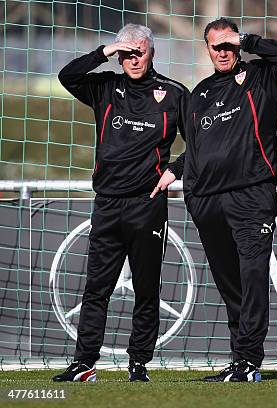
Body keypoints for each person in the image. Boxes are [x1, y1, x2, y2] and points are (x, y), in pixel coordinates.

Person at [52, 24, 189, 382]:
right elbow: (67, 75)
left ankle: (139, 363)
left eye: (138, 52)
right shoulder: (105, 88)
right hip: (108, 204)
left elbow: (202, 143)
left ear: (151, 52)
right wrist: (106, 50)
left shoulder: (174, 94)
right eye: (126, 53)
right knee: (96, 288)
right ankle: (85, 363)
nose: (132, 59)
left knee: (146, 288)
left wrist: (175, 169)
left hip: (148, 205)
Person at [180, 17, 277, 382]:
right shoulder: (198, 94)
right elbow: (196, 150)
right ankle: (238, 359)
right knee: (229, 281)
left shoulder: (263, 77)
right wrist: (181, 178)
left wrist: (248, 40)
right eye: (215, 45)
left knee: (251, 277)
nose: (222, 51)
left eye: (228, 45)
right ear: (206, 49)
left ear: (236, 45)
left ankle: (249, 361)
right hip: (206, 201)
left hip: (251, 196)